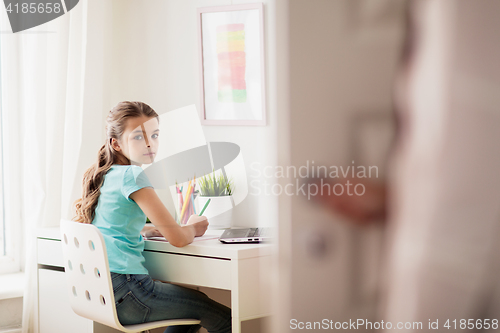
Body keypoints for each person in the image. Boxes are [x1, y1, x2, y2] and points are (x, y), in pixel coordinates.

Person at [73, 101, 232, 333]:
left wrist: (144, 229)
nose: (150, 144)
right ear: (116, 144)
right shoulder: (133, 174)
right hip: (129, 292)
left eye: (155, 135)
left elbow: (110, 225)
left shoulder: (105, 173)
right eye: (138, 137)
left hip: (106, 290)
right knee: (224, 318)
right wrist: (194, 227)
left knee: (188, 310)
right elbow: (178, 238)